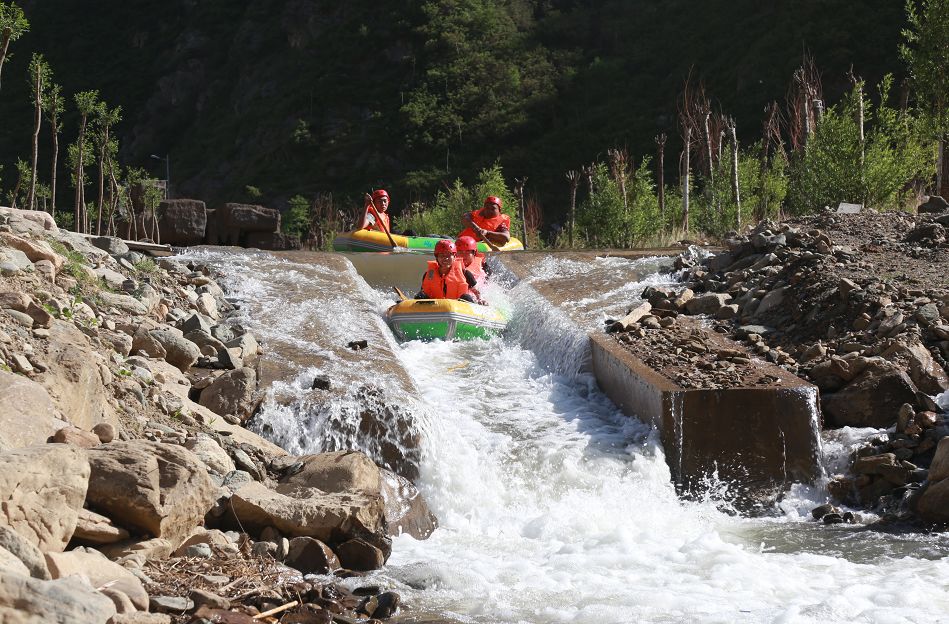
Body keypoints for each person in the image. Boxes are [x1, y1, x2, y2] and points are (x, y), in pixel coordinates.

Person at [416, 240, 484, 304]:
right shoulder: (429, 274)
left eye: (449, 255)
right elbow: (423, 292)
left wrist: (480, 300)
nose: (445, 259)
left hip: (458, 306)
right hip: (435, 306)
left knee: (466, 297)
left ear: (454, 256)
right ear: (437, 257)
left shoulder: (465, 273)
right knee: (420, 296)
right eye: (442, 256)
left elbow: (477, 292)